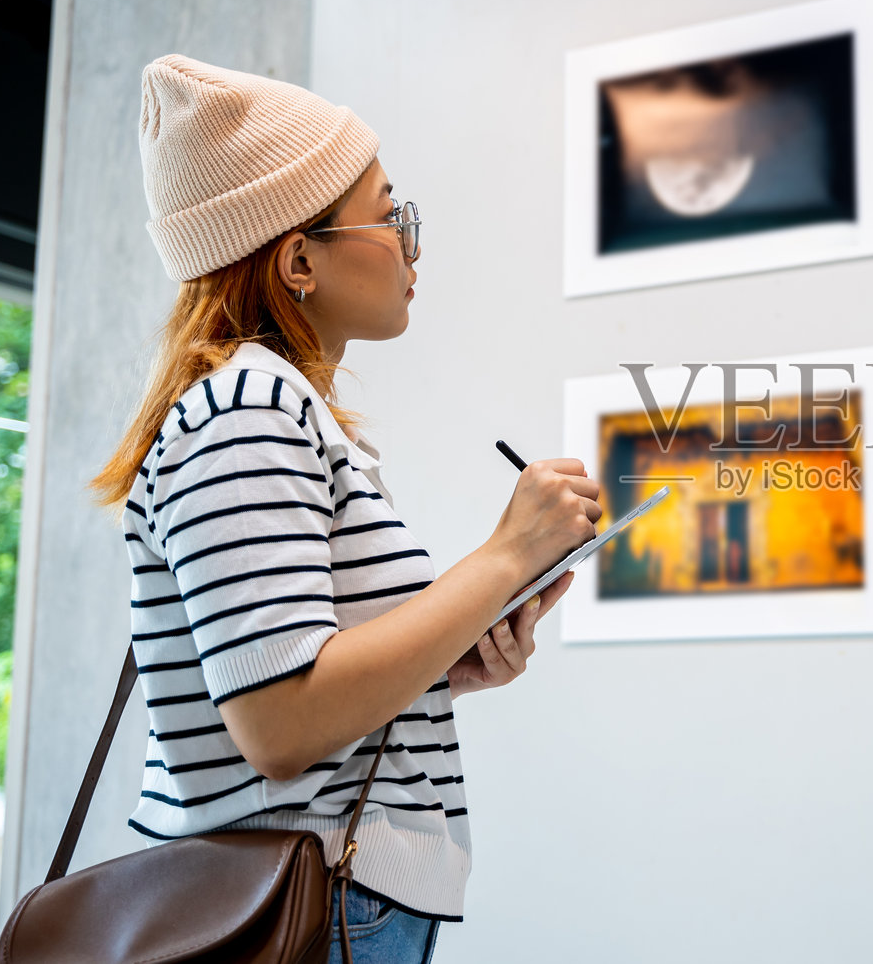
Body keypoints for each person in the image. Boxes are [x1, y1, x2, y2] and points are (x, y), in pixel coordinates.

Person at [86, 54, 602, 963]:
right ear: (298, 260)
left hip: (329, 898)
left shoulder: (272, 410)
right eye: (388, 210)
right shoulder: (246, 409)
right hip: (307, 903)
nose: (410, 241)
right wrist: (503, 557)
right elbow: (279, 724)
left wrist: (448, 663)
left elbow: (298, 681)